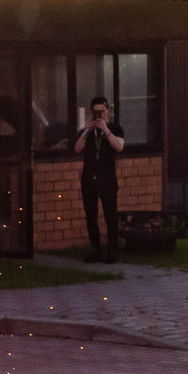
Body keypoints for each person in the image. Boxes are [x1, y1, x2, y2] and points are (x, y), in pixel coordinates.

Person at [74, 94, 124, 263]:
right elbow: (77, 148)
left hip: (108, 179)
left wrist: (106, 130)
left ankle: (112, 251)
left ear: (107, 111)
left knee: (110, 215)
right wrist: (88, 129)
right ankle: (96, 250)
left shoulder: (115, 129)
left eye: (101, 112)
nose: (99, 116)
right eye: (96, 113)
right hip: (89, 179)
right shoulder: (87, 132)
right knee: (91, 215)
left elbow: (119, 146)